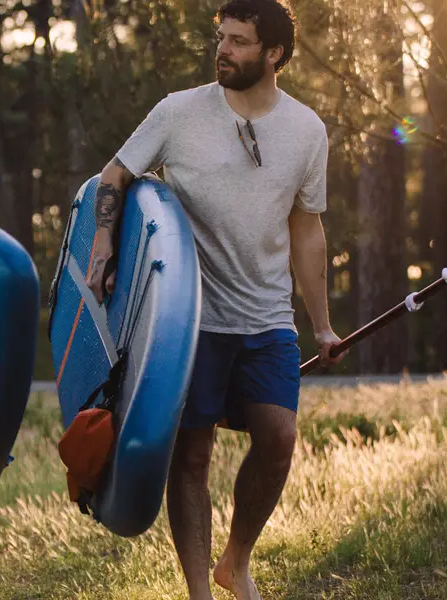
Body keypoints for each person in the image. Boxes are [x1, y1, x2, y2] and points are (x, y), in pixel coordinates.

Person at [86, 1, 347, 599]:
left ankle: (236, 561)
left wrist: (324, 325)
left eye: (238, 41)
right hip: (190, 316)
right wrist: (103, 240)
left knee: (278, 438)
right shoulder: (180, 112)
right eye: (221, 37)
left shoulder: (307, 130)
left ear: (275, 54)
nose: (222, 49)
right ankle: (201, 591)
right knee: (193, 455)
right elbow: (115, 175)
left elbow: (307, 229)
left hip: (267, 315)